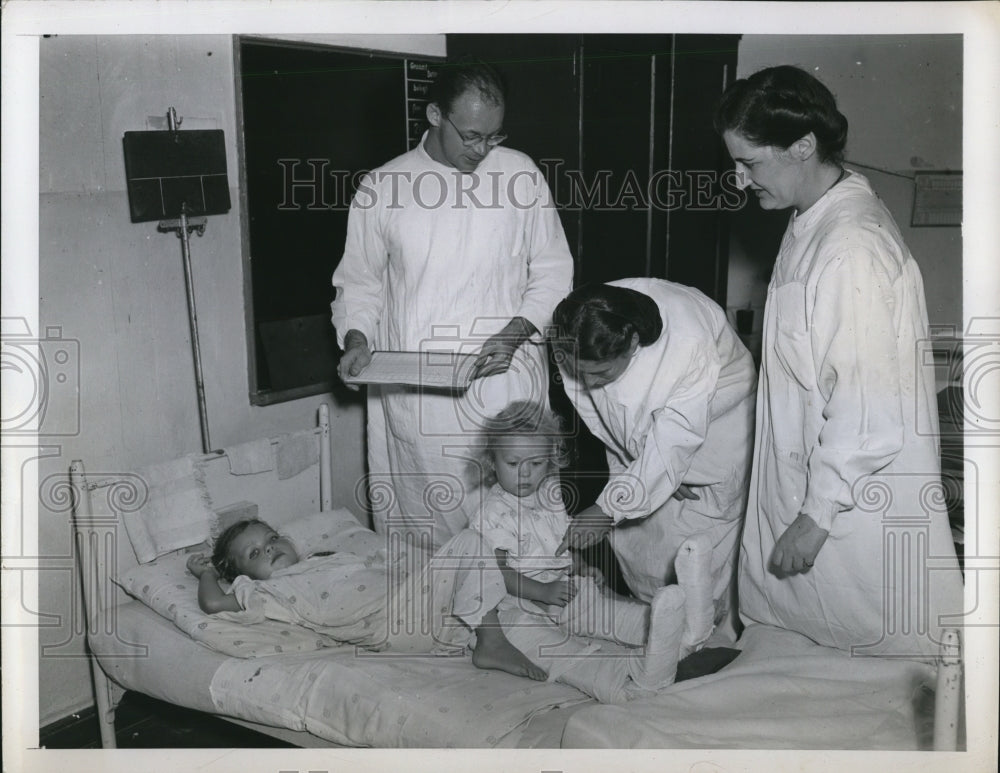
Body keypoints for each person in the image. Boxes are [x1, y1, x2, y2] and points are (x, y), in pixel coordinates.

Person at [714, 65, 964, 657]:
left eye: (749, 162)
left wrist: (818, 512)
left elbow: (868, 403)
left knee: (879, 658)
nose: (738, 178)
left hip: (850, 505)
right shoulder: (811, 218)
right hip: (807, 486)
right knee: (799, 647)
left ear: (803, 147)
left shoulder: (852, 246)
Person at [331, 58, 574, 551]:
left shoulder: (519, 174)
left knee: (522, 525)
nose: (483, 150)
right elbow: (359, 284)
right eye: (471, 136)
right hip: (420, 395)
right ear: (435, 114)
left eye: (494, 136)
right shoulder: (383, 187)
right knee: (433, 529)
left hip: (504, 380)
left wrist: (513, 335)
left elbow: (553, 271)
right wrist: (357, 338)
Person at [188, 517, 687, 703]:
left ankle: (630, 678)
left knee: (518, 622)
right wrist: (201, 568)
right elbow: (212, 603)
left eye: (272, 538)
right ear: (244, 576)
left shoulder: (331, 555)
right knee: (470, 543)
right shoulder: (268, 593)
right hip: (393, 626)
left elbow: (402, 569)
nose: (270, 548)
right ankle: (498, 631)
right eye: (255, 554)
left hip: (423, 610)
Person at [550, 278, 758, 646]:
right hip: (634, 442)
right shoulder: (579, 325)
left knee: (696, 550)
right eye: (581, 371)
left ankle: (706, 642)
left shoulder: (687, 344)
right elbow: (592, 407)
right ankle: (651, 627)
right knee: (642, 542)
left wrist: (611, 505)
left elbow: (676, 439)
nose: (589, 381)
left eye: (601, 374)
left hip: (710, 433)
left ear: (632, 344)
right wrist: (637, 464)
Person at [474, 400, 717, 657]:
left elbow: (557, 545)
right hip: (525, 601)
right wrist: (542, 591)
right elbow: (494, 573)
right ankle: (675, 638)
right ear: (492, 461)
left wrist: (582, 567)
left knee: (613, 612)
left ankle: (683, 629)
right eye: (513, 464)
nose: (525, 474)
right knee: (603, 621)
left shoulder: (548, 493)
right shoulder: (493, 513)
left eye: (536, 464)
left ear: (550, 459)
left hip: (561, 589)